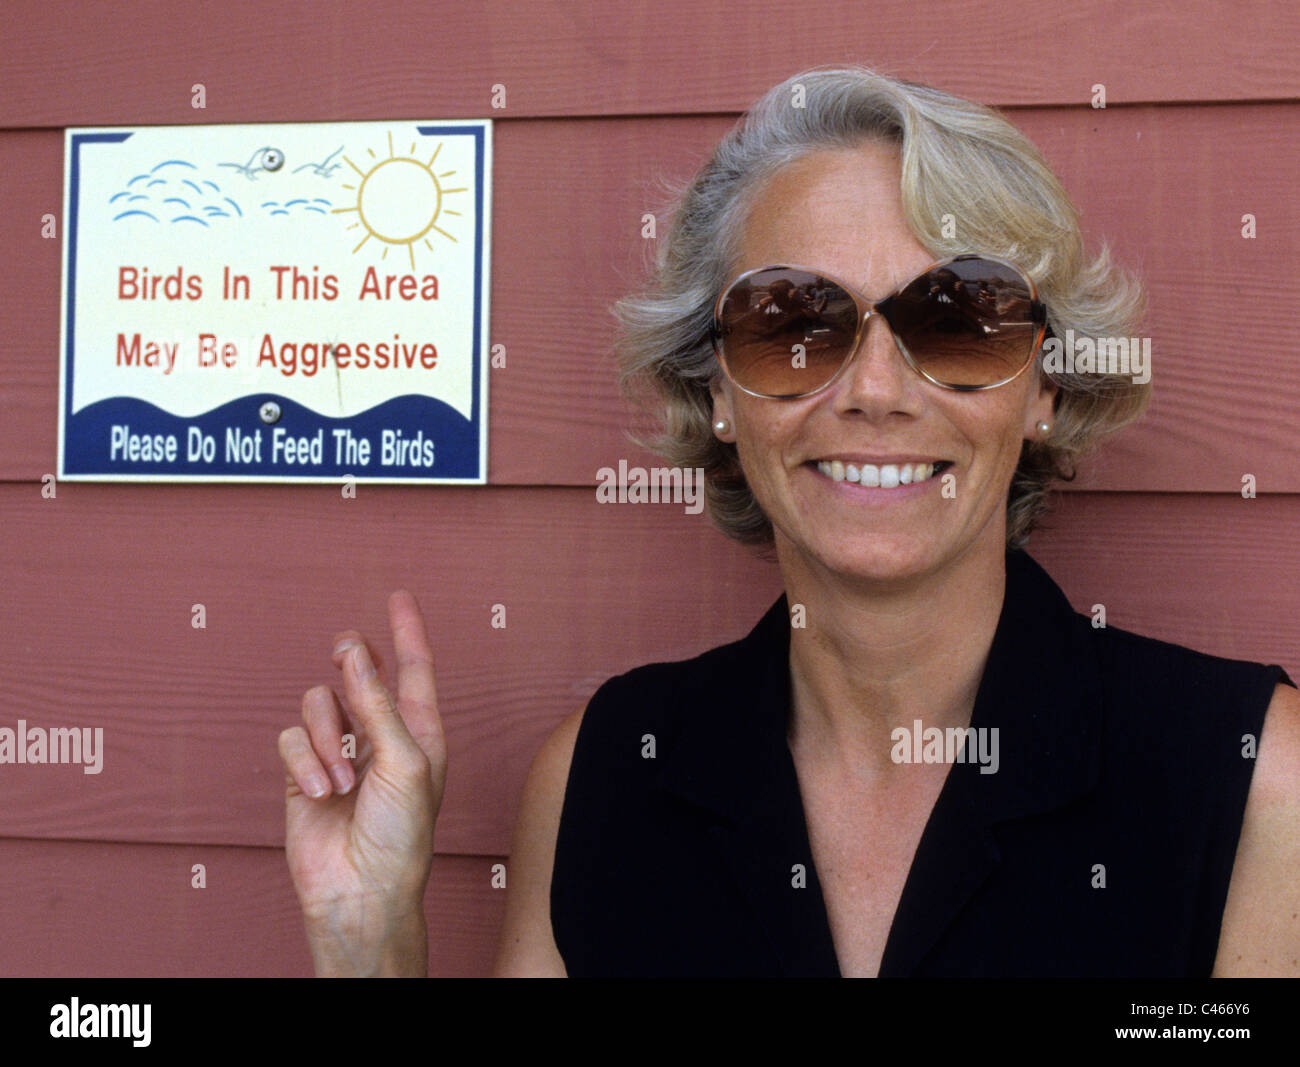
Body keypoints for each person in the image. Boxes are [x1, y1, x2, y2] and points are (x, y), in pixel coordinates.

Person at [277, 67, 1300, 977]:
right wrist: (368, 940)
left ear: (1043, 386)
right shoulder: (607, 771)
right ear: (717, 387)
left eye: (956, 320)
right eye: (794, 325)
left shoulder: (1253, 778)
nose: (875, 390)